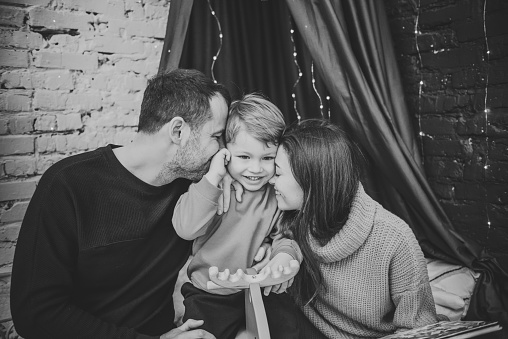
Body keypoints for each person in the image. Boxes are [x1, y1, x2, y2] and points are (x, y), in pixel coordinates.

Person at [10, 69, 268, 339]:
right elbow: (36, 315)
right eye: (216, 136)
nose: (222, 150)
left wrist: (268, 244)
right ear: (178, 131)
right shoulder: (68, 185)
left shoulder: (196, 187)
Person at [269, 119, 439, 338]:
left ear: (310, 180)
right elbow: (284, 238)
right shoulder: (294, 219)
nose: (271, 180)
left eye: (278, 173)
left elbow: (418, 327)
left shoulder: (394, 238)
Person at [172, 94, 302, 339]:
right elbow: (185, 228)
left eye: (267, 158)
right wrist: (214, 177)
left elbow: (286, 234)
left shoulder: (275, 194)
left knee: (286, 327)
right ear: (225, 151)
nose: (255, 169)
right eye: (244, 157)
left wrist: (284, 253)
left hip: (258, 288)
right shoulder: (212, 188)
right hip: (209, 292)